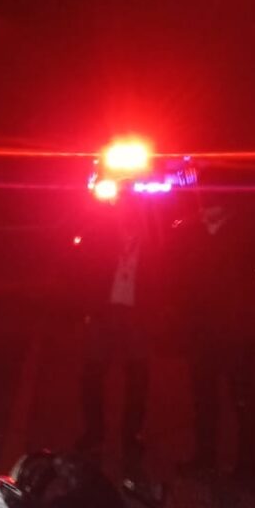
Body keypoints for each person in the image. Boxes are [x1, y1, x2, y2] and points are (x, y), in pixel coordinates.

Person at [175, 197, 255, 482]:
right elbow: (183, 279)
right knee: (204, 398)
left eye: (210, 200)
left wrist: (254, 323)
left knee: (243, 400)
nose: (203, 205)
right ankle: (205, 456)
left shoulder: (246, 233)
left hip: (236, 332)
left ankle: (246, 466)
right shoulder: (193, 234)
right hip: (202, 331)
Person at [74, 195, 169, 468]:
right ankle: (94, 431)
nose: (128, 215)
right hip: (105, 312)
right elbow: (83, 271)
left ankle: (131, 434)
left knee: (137, 379)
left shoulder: (152, 242)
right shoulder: (101, 237)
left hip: (137, 315)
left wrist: (157, 314)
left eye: (134, 211)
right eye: (125, 210)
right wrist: (87, 308)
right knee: (92, 376)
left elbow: (161, 279)